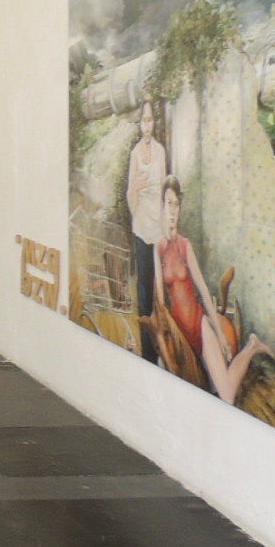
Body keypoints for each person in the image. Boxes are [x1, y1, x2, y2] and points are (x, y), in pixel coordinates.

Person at [153, 176, 272, 404]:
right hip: (179, 330)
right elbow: (160, 300)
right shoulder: (158, 247)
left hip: (199, 325)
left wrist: (219, 333)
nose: (173, 210)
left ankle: (251, 347)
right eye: (169, 203)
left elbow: (204, 291)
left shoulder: (185, 245)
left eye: (176, 204)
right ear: (162, 206)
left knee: (226, 396)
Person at [126, 99, 165, 364]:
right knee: (143, 286)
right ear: (139, 124)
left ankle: (162, 344)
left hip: (157, 225)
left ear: (155, 122)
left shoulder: (160, 152)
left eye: (150, 120)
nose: (147, 125)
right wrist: (137, 190)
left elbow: (162, 189)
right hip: (141, 224)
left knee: (159, 286)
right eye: (144, 120)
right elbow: (131, 193)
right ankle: (147, 351)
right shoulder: (135, 154)